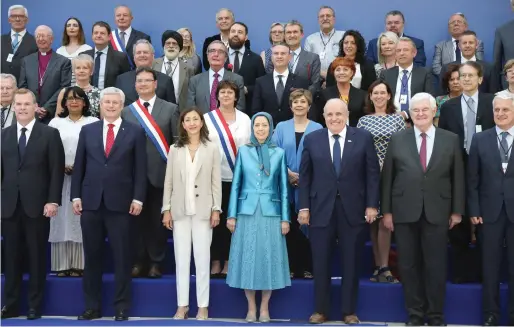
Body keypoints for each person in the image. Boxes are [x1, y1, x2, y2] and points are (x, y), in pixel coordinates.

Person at [381, 92, 465, 326]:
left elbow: (458, 177)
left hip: (438, 211)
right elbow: (388, 177)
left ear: (433, 112)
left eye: (424, 110)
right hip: (404, 211)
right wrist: (387, 211)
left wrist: (457, 210)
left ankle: (436, 315)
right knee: (408, 266)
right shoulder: (398, 139)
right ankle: (415, 315)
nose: (420, 114)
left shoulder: (450, 139)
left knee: (435, 265)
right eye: (415, 110)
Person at [298, 98, 380, 324]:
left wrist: (372, 205)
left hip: (353, 210)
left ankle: (348, 311)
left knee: (351, 262)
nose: (334, 118)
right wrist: (304, 207)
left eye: (338, 114)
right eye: (330, 114)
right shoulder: (312, 139)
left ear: (347, 116)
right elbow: (305, 177)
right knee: (321, 262)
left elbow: (372, 174)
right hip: (320, 210)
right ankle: (321, 310)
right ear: (323, 117)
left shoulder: (362, 137)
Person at [71, 87, 147, 321]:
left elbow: (140, 169)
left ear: (121, 105)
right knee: (92, 257)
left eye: (115, 102)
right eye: (107, 102)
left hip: (121, 204)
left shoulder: (134, 132)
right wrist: (76, 196)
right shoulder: (88, 130)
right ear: (100, 105)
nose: (111, 106)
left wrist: (138, 197)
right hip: (91, 203)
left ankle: (122, 307)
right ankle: (92, 307)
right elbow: (79, 166)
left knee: (122, 258)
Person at [1, 88, 65, 320]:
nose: (22, 108)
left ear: (35, 106)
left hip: (38, 206)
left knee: (37, 257)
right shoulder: (3, 135)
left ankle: (34, 305)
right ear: (14, 107)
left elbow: (55, 171)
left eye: (27, 104)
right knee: (10, 259)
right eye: (18, 104)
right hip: (8, 207)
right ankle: (10, 304)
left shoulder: (49, 134)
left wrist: (52, 200)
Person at [226, 112, 291, 323]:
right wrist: (231, 215)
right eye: (257, 126)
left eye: (264, 125)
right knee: (248, 259)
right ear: (252, 129)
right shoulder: (243, 151)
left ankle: (264, 307)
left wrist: (285, 218)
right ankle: (251, 307)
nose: (260, 129)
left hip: (271, 213)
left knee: (268, 259)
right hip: (246, 211)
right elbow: (235, 185)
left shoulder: (279, 153)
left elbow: (284, 188)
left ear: (271, 128)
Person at [162, 107, 222, 320]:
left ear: (202, 123)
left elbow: (217, 181)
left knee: (203, 259)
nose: (192, 123)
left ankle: (203, 306)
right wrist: (166, 209)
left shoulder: (212, 148)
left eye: (196, 119)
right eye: (188, 120)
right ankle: (182, 305)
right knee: (181, 260)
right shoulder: (174, 149)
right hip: (179, 211)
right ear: (183, 124)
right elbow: (168, 181)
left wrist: (216, 209)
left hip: (203, 211)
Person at [121, 67, 179, 278]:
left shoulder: (170, 108)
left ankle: (156, 262)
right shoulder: (127, 111)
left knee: (156, 223)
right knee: (135, 223)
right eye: (140, 81)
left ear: (156, 84)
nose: (143, 84)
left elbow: (176, 144)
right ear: (135, 85)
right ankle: (138, 261)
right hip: (132, 176)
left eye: (147, 81)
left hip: (160, 175)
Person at [467, 93, 514, 326]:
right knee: (490, 267)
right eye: (497, 110)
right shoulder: (480, 139)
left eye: (505, 110)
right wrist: (474, 209)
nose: (500, 114)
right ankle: (491, 315)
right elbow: (472, 179)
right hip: (488, 213)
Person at [357, 80, 405, 283]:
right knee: (373, 222)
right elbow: (357, 149)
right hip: (369, 175)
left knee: (386, 220)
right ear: (370, 96)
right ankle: (378, 267)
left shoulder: (397, 119)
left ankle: (385, 266)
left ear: (388, 95)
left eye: (382, 92)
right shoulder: (363, 121)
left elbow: (404, 146)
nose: (378, 96)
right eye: (374, 92)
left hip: (392, 174)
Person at [48, 86, 98, 278]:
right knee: (60, 219)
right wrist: (60, 166)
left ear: (85, 102)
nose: (74, 102)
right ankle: (61, 265)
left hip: (85, 178)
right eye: (70, 99)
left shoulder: (93, 122)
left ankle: (79, 264)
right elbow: (49, 150)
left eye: (78, 98)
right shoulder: (55, 123)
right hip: (59, 178)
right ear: (64, 103)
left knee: (79, 218)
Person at [272, 89, 322, 279]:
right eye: (295, 102)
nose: (299, 105)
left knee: (309, 227)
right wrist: (288, 174)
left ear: (309, 106)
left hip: (310, 186)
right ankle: (292, 267)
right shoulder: (281, 127)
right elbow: (273, 153)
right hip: (285, 184)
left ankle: (308, 266)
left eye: (303, 102)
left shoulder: (318, 128)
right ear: (290, 106)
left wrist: (304, 176)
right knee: (290, 226)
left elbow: (322, 156)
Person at [203, 80, 251, 278]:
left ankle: (230, 261)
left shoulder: (245, 119)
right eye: (222, 92)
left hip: (238, 178)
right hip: (212, 178)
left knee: (234, 222)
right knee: (214, 222)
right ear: (217, 95)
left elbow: (249, 147)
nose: (226, 96)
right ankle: (215, 260)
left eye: (230, 92)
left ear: (236, 96)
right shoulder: (207, 118)